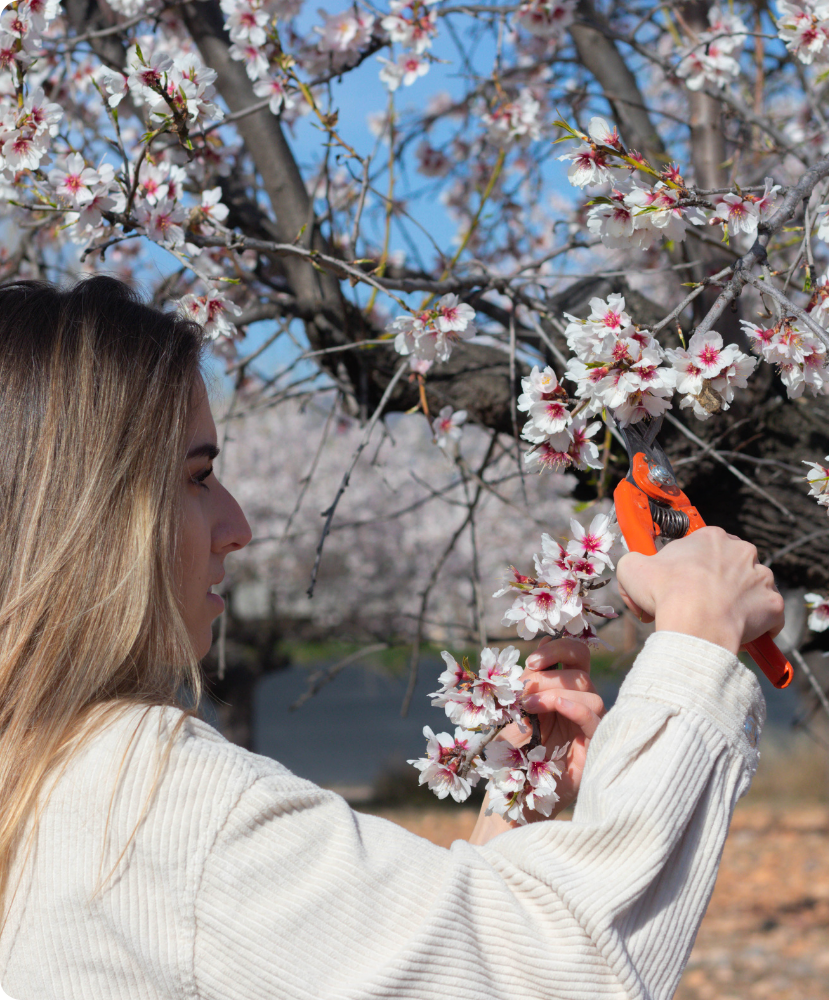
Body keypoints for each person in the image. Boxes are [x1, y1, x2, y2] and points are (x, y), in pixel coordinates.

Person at [0, 276, 784, 1000]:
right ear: (90, 508)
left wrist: (520, 811)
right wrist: (696, 634)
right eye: (198, 475)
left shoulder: (40, 775)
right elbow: (564, 971)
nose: (237, 528)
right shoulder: (152, 804)